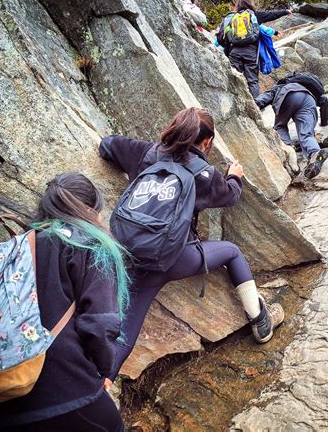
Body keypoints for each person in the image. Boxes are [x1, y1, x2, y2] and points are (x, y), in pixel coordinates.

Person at [99, 107, 285, 389]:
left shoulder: (145, 153)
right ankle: (261, 321)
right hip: (171, 258)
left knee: (126, 326)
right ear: (207, 142)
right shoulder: (205, 175)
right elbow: (231, 196)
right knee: (232, 252)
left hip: (127, 252)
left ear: (172, 128)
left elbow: (107, 145)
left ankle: (100, 382)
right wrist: (234, 175)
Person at [0, 173, 130, 432]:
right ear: (91, 211)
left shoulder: (14, 247)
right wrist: (104, 372)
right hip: (65, 396)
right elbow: (99, 325)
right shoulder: (89, 246)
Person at [217, 0, 291, 98]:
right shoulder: (254, 15)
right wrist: (285, 11)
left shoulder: (232, 17)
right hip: (250, 53)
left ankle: (233, 103)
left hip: (234, 52)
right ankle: (256, 108)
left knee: (233, 79)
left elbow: (222, 37)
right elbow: (271, 14)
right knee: (252, 81)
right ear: (250, 3)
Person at [255, 81, 328, 179]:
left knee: (280, 126)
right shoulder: (308, 86)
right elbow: (324, 99)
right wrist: (324, 122)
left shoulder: (282, 85)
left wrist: (254, 105)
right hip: (308, 99)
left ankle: (288, 150)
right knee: (307, 134)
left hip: (288, 97)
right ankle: (315, 153)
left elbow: (266, 96)